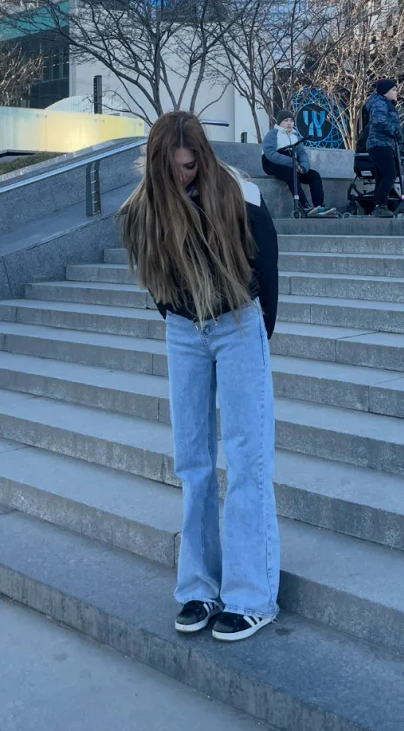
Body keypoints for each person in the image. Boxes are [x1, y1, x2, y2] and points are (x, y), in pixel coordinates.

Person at [120, 113, 280, 642]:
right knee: (192, 461)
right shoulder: (144, 207)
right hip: (184, 331)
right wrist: (175, 315)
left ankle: (251, 596)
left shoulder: (237, 192)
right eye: (171, 167)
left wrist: (257, 333)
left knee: (247, 459)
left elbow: (268, 264)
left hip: (238, 323)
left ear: (203, 159)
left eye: (189, 166)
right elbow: (152, 272)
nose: (181, 175)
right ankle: (198, 587)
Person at [261, 111, 335, 216]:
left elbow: (302, 154)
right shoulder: (273, 134)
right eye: (286, 120)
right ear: (279, 122)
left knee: (314, 175)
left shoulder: (295, 136)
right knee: (291, 173)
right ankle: (304, 205)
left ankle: (319, 206)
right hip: (273, 164)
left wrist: (303, 167)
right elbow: (270, 153)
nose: (289, 123)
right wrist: (291, 162)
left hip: (292, 164)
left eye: (291, 121)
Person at [363, 79, 404, 218]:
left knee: (382, 176)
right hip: (380, 144)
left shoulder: (383, 103)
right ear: (385, 92)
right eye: (393, 90)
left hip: (381, 144)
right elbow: (379, 121)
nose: (396, 92)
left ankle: (379, 206)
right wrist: (395, 130)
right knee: (390, 174)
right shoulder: (380, 103)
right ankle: (380, 205)